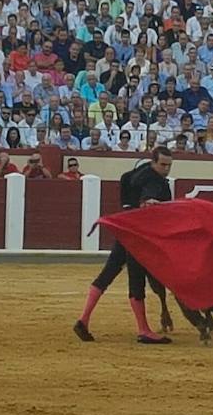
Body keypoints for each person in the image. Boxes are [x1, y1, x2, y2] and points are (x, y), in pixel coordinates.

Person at [74, 147, 175, 345]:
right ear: (153, 162)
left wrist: (135, 205)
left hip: (126, 229)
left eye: (169, 165)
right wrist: (148, 202)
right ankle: (143, 330)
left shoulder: (134, 174)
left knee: (108, 273)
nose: (166, 169)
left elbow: (127, 185)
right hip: (138, 236)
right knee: (136, 280)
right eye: (162, 165)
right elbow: (148, 195)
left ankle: (83, 319)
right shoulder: (156, 180)